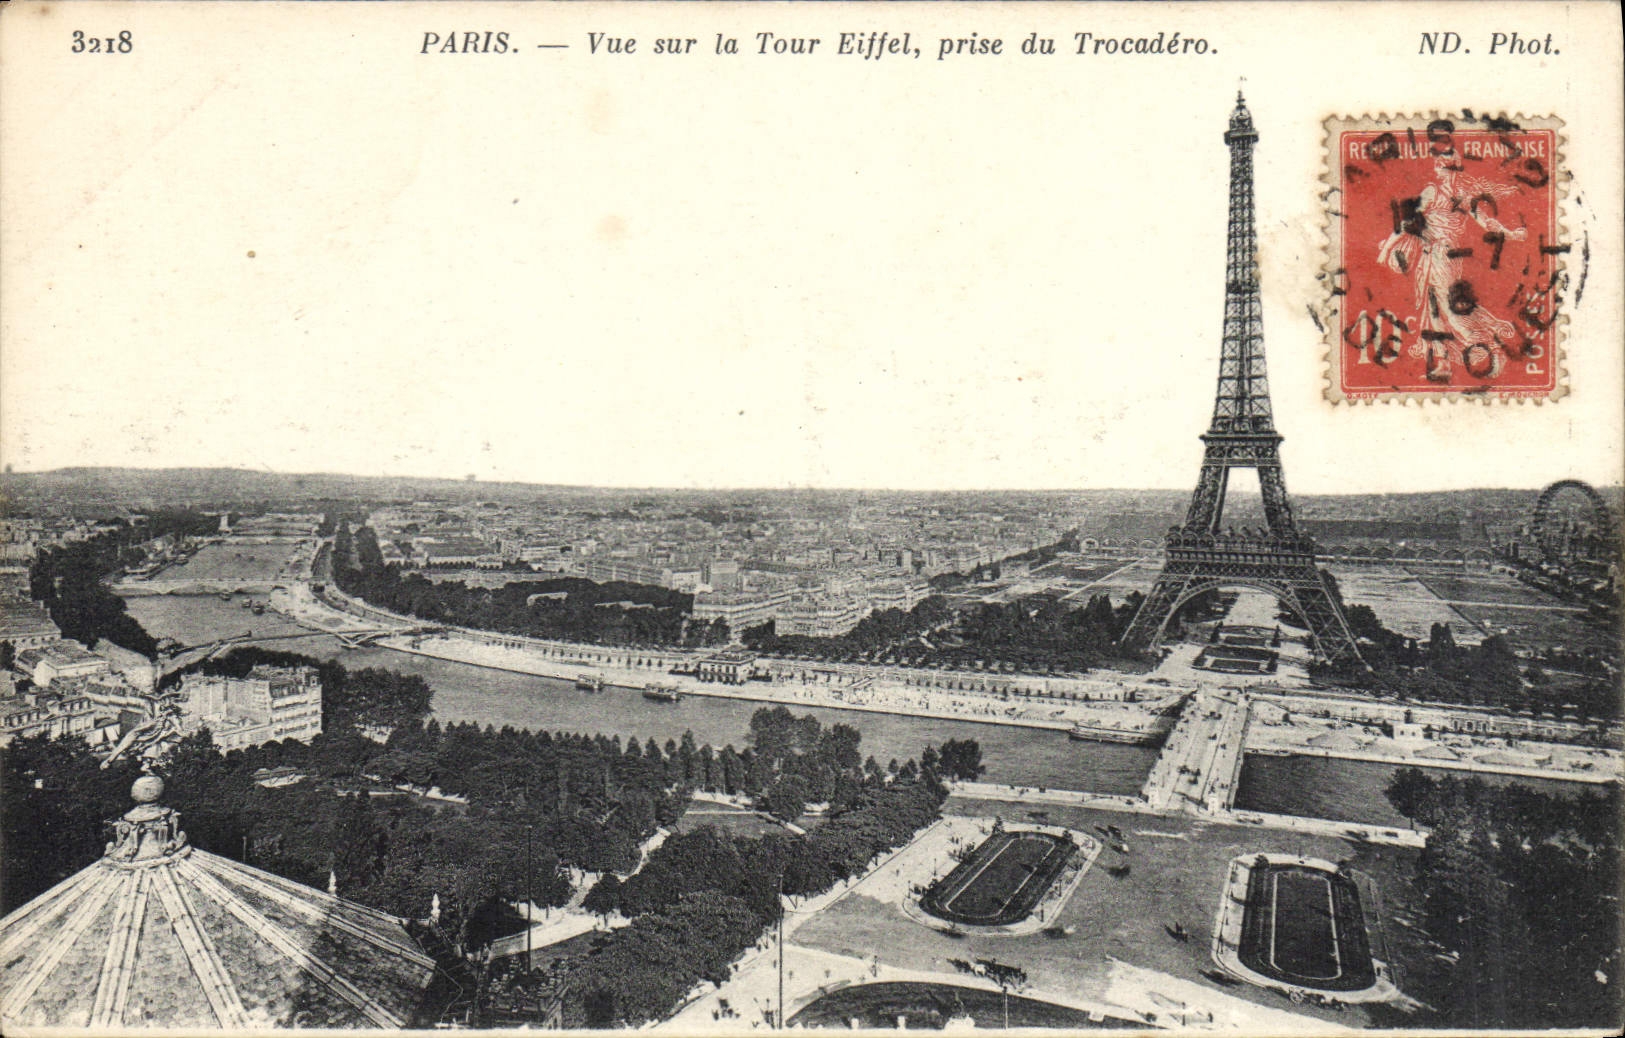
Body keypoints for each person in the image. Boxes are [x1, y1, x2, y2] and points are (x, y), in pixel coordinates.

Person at [1377, 150, 1528, 380]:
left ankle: (1490, 347)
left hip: (1440, 256)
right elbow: (1486, 222)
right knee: (1434, 309)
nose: (1438, 169)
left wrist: (1387, 249)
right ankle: (1444, 364)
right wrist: (1511, 234)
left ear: (1441, 168)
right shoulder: (1461, 195)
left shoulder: (1434, 192)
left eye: (1440, 165)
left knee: (1448, 309)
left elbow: (1408, 222)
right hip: (1439, 256)